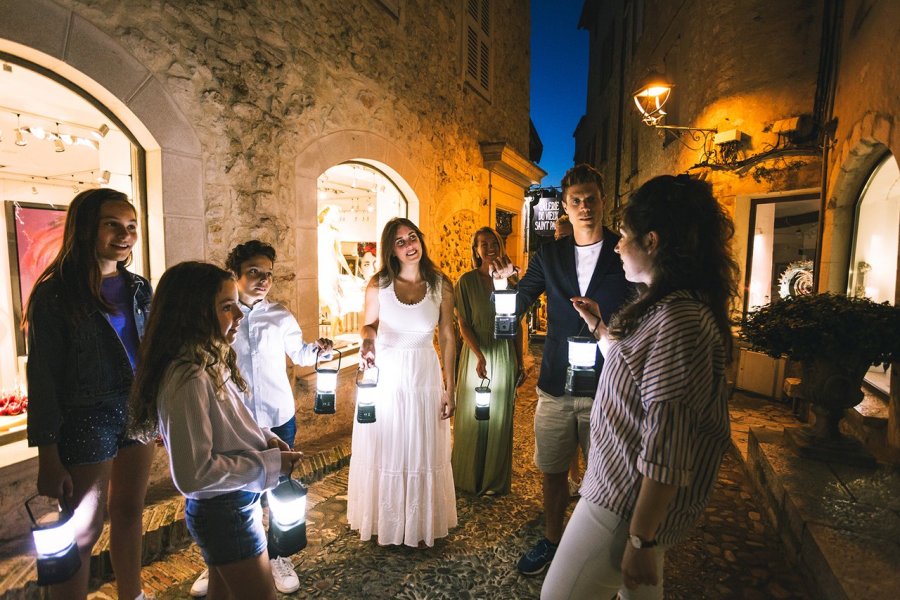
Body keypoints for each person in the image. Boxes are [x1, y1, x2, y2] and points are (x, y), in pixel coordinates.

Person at [541, 174, 739, 599]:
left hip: (620, 501)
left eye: (625, 235)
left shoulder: (678, 320)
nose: (617, 244)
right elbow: (633, 366)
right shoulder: (665, 307)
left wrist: (641, 539)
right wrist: (598, 326)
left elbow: (669, 442)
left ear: (651, 242)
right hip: (625, 498)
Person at [130, 262, 303, 600]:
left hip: (235, 502)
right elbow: (194, 474)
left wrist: (266, 436)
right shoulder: (188, 377)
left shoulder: (210, 361)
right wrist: (269, 465)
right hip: (224, 511)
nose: (239, 314)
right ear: (193, 313)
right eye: (227, 306)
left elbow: (230, 422)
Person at [490, 164, 631, 576]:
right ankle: (552, 541)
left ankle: (604, 551)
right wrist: (502, 289)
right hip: (554, 385)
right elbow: (519, 303)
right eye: (575, 201)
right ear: (564, 208)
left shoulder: (624, 253)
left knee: (606, 474)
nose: (584, 207)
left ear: (603, 201)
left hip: (607, 384)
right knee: (552, 470)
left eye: (591, 199)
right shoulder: (548, 256)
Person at [25, 188, 155, 600]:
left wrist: (162, 410)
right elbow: (42, 376)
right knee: (81, 528)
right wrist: (47, 452)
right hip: (85, 416)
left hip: (137, 409)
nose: (125, 235)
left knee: (131, 511)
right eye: (112, 225)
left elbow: (151, 353)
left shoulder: (138, 288)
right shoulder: (55, 292)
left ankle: (132, 595)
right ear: (85, 229)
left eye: (131, 226)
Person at [187, 240, 333, 596]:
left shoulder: (280, 315)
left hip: (278, 416)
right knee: (229, 496)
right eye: (254, 272)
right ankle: (218, 561)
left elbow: (298, 354)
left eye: (268, 274)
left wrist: (319, 350)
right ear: (235, 274)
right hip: (235, 421)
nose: (264, 280)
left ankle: (278, 555)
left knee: (278, 492)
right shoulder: (217, 315)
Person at [347, 217, 458, 547]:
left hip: (424, 374)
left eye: (413, 237)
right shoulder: (378, 284)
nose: (410, 245)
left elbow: (449, 337)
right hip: (388, 375)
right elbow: (368, 326)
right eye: (401, 242)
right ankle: (387, 522)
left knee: (422, 449)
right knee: (389, 447)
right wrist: (367, 341)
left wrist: (450, 388)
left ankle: (419, 524)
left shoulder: (440, 285)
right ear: (391, 250)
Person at [451, 227, 524, 496]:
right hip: (476, 353)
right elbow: (463, 323)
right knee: (472, 416)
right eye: (484, 243)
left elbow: (517, 324)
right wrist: (479, 354)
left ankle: (493, 480)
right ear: (476, 250)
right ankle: (468, 477)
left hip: (503, 352)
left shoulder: (512, 283)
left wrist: (518, 360)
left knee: (498, 418)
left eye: (494, 242)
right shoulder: (466, 282)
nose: (490, 247)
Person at [553, 214, 582, 498]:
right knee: (566, 424)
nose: (560, 241)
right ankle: (572, 477)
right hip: (560, 352)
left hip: (589, 351)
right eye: (557, 237)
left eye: (565, 236)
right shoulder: (553, 262)